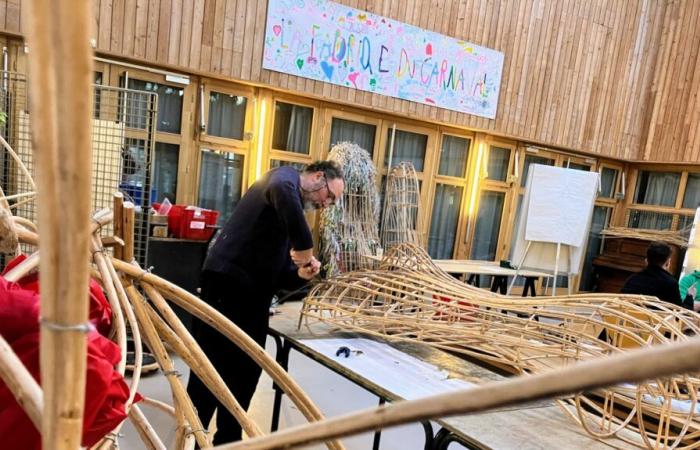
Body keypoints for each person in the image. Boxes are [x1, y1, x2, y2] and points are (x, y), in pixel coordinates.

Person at [186, 161, 344, 444]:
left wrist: (301, 273)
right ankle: (193, 438)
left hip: (252, 298)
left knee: (245, 372)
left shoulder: (285, 217)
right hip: (226, 286)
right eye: (329, 196)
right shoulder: (284, 180)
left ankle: (228, 442)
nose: (327, 204)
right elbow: (281, 190)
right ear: (319, 177)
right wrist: (305, 249)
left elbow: (281, 277)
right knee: (210, 368)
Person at [620, 241, 690, 308]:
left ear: (646, 260)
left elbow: (621, 302)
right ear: (668, 262)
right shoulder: (671, 283)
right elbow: (679, 313)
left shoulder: (632, 279)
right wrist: (689, 297)